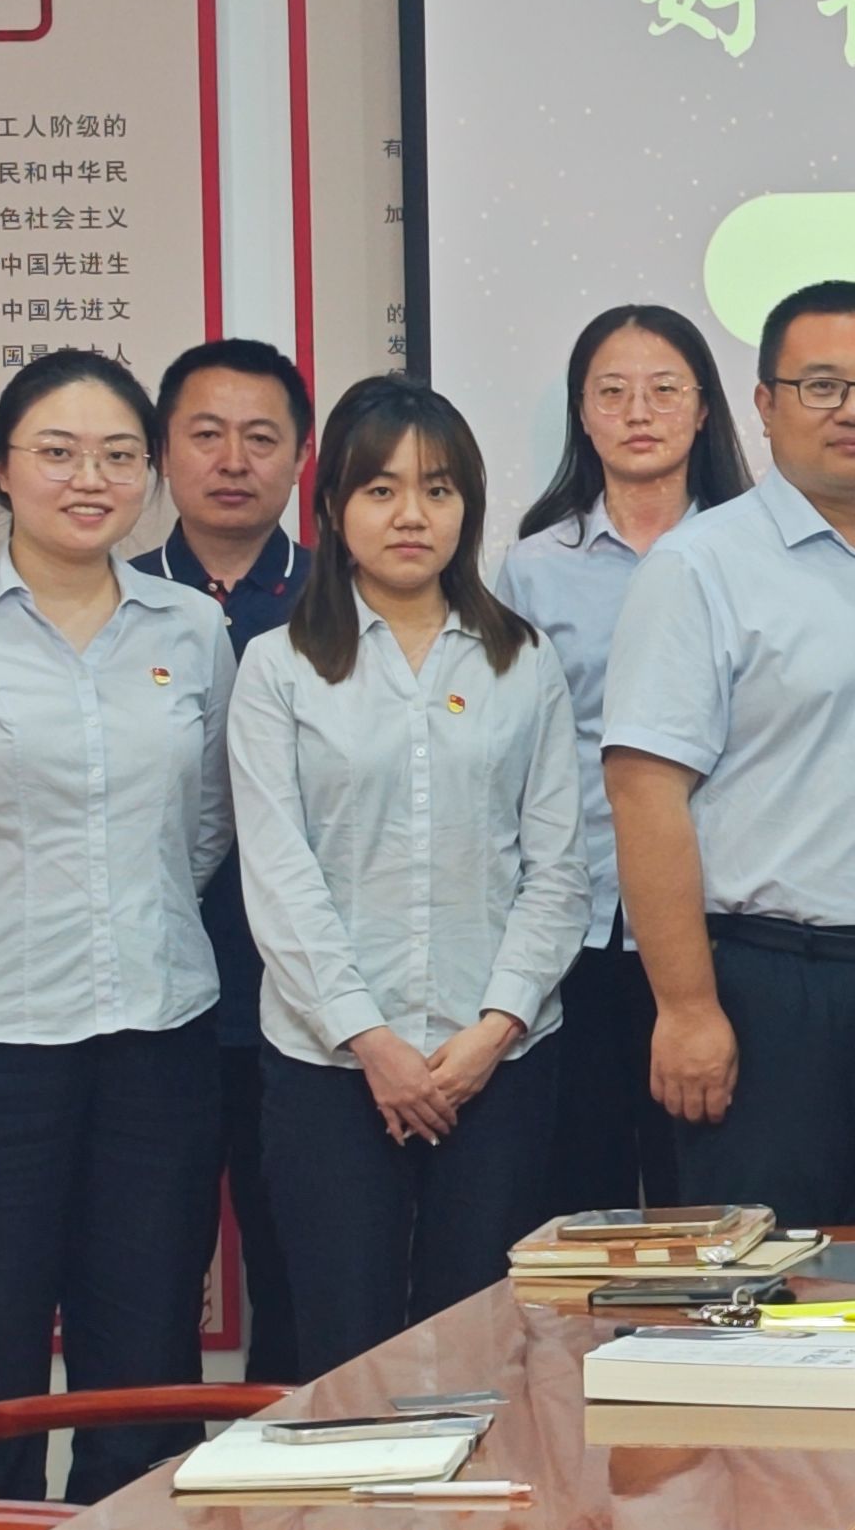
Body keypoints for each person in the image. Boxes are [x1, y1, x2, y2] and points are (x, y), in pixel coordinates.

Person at [0, 351, 233, 1500]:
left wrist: (128, 902)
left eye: (119, 455)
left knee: (146, 1359)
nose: (90, 478)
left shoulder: (192, 628)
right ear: (2, 469)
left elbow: (208, 825)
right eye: (58, 453)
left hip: (159, 1041)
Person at [600, 283, 855, 1224]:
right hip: (772, 995)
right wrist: (687, 1009)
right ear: (764, 403)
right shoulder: (701, 567)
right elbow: (643, 794)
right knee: (767, 1288)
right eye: (822, 386)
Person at [232, 377, 590, 1376]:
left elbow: (558, 869)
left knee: (486, 1354)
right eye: (380, 489)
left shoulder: (522, 660)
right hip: (331, 1068)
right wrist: (372, 1040)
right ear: (334, 506)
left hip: (499, 1066)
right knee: (344, 1351)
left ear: (468, 505)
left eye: (437, 489)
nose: (411, 515)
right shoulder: (279, 667)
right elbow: (279, 873)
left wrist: (493, 1030)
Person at [500, 302, 755, 1216]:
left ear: (704, 408)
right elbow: (514, 756)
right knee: (586, 1200)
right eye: (611, 392)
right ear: (582, 413)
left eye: (664, 390)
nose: (638, 412)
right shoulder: (533, 568)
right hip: (582, 928)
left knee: (714, 1200)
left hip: (726, 923)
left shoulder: (755, 552)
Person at [124, 335, 311, 1385]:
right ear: (163, 450)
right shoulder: (114, 602)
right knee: (146, 1281)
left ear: (301, 456)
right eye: (205, 434)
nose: (232, 460)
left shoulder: (346, 601)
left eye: (260, 437)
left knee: (306, 1283)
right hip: (157, 1011)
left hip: (311, 1012)